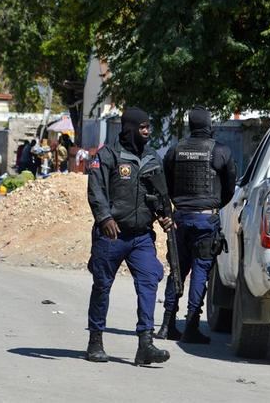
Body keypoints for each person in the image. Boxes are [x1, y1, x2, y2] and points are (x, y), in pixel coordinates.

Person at [86, 106, 173, 365]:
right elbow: (96, 189)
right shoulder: (108, 155)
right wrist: (104, 218)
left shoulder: (153, 158)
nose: (147, 132)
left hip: (141, 236)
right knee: (102, 286)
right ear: (130, 128)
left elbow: (159, 195)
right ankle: (95, 341)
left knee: (149, 279)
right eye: (143, 127)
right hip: (112, 235)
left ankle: (145, 343)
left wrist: (165, 215)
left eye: (149, 127)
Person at [156, 106, 236, 343]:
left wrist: (179, 205)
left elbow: (166, 184)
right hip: (205, 220)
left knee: (178, 270)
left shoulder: (175, 150)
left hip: (179, 218)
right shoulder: (220, 151)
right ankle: (191, 325)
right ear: (209, 125)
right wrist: (213, 206)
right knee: (200, 271)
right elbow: (230, 188)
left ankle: (167, 324)